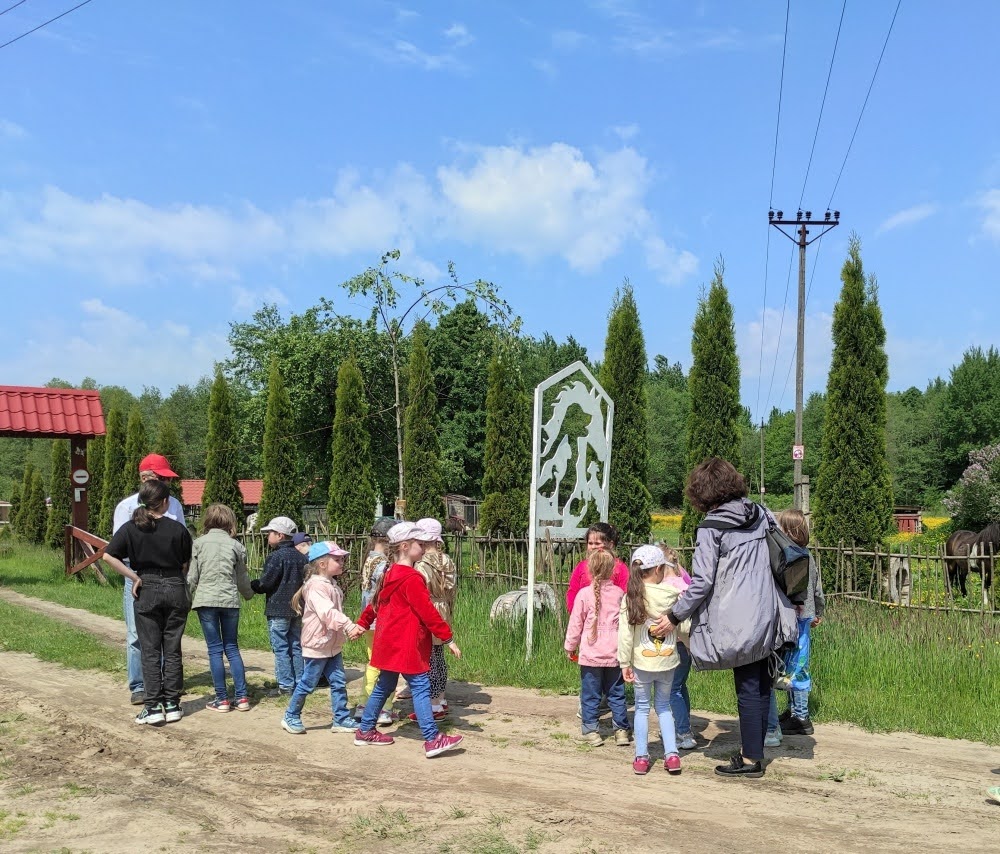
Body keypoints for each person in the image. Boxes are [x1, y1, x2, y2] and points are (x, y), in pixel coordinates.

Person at [657, 457, 797, 779]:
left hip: (738, 617)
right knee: (760, 683)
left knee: (748, 686)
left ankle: (750, 760)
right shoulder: (762, 513)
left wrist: (675, 615)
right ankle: (756, 750)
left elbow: (702, 582)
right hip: (768, 609)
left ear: (703, 493)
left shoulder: (710, 527)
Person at [354, 522, 464, 759]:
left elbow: (374, 603)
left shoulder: (388, 573)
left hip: (387, 642)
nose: (424, 547)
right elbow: (427, 611)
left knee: (384, 685)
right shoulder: (412, 578)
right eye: (420, 544)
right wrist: (448, 638)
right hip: (407, 644)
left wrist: (362, 624)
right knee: (421, 687)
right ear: (405, 546)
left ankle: (365, 730)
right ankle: (433, 738)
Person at [103, 478, 192, 726]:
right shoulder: (179, 530)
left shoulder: (131, 528)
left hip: (147, 587)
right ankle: (173, 705)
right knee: (172, 649)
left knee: (150, 649)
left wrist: (134, 577)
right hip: (175, 587)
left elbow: (109, 556)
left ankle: (152, 707)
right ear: (165, 502)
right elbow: (185, 563)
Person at [281, 541, 364, 735]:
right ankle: (290, 715)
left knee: (338, 681)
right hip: (318, 644)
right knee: (308, 683)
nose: (342, 562)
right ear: (322, 564)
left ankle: (341, 718)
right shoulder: (316, 586)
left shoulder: (331, 584)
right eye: (337, 559)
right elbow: (328, 613)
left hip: (331, 644)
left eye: (342, 558)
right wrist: (349, 625)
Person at [619, 545, 688, 775]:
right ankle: (672, 755)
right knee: (663, 707)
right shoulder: (673, 595)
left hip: (642, 663)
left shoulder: (631, 597)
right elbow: (685, 626)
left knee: (641, 708)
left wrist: (624, 663)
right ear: (659, 568)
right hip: (668, 661)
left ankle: (641, 757)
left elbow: (625, 635)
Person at [766, 509, 826, 745]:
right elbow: (818, 589)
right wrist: (818, 611)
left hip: (793, 619)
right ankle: (792, 712)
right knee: (791, 666)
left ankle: (801, 718)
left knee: (797, 667)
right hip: (804, 618)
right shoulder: (807, 555)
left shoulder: (788, 556)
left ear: (787, 531)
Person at [188, 503, 254, 713]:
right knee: (232, 648)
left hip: (206, 601)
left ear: (207, 520)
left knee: (215, 650)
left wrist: (185, 600)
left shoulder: (198, 544)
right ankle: (242, 697)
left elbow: (192, 576)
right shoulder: (236, 546)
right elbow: (242, 578)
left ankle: (222, 699)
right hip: (229, 601)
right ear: (230, 522)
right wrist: (248, 594)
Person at [565, 550, 630, 747]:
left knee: (590, 695)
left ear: (590, 569)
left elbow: (576, 623)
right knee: (616, 694)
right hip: (615, 654)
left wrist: (570, 646)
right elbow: (626, 624)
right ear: (612, 570)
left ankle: (591, 730)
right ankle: (621, 731)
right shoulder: (620, 594)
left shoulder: (584, 595)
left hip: (591, 654)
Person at [251, 516, 306, 696]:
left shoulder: (275, 557)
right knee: (296, 645)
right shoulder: (301, 558)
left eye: (270, 533)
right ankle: (300, 682)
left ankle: (285, 685)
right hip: (297, 608)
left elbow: (266, 583)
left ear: (280, 535)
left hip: (277, 609)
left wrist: (253, 585)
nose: (268, 537)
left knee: (280, 647)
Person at [413, 517, 458, 720]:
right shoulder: (446, 560)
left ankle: (432, 705)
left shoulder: (421, 564)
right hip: (444, 609)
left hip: (429, 610)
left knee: (429, 659)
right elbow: (452, 590)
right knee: (439, 656)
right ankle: (441, 699)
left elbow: (419, 592)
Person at [354, 517, 398, 723]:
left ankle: (365, 703)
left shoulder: (370, 558)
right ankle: (382, 707)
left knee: (373, 662)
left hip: (369, 618)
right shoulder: (383, 564)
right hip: (379, 619)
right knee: (382, 664)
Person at [659, 546, 697, 752]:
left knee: (671, 690)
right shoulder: (684, 581)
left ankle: (683, 733)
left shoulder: (665, 587)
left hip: (674, 644)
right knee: (680, 687)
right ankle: (682, 726)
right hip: (688, 644)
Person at [565, 522, 628, 612]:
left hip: (611, 620)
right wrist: (576, 613)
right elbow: (572, 592)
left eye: (597, 543)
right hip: (585, 619)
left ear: (610, 544)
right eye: (590, 543)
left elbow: (625, 595)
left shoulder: (620, 568)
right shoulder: (581, 567)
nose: (593, 547)